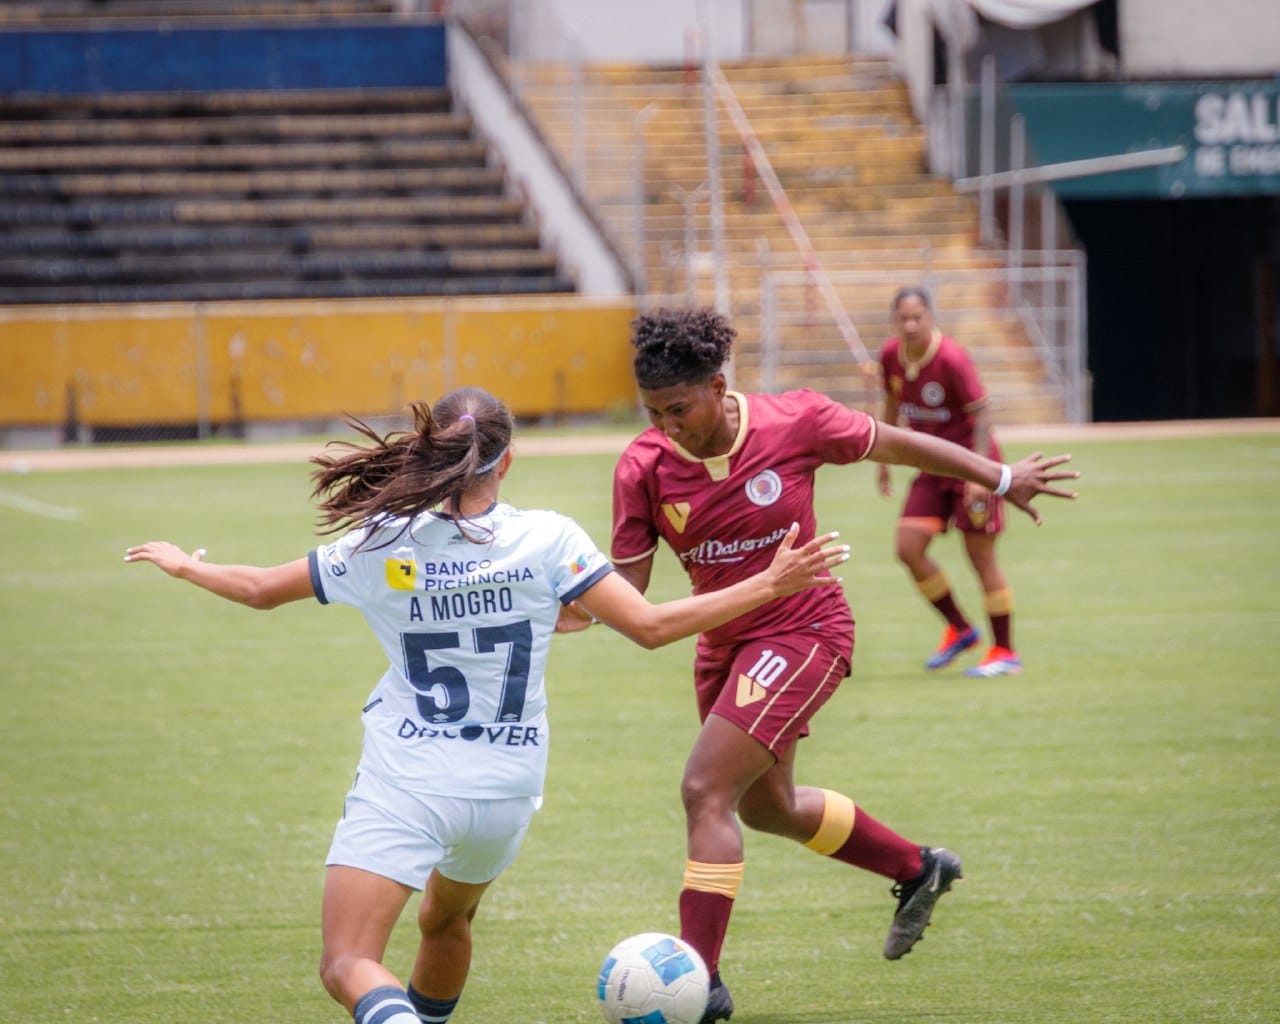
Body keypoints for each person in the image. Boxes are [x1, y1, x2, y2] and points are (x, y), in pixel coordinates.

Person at [123, 386, 851, 1024]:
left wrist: (189, 565)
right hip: (506, 790)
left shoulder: (382, 542)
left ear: (429, 454)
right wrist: (768, 583)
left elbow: (257, 590)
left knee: (347, 963)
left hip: (411, 777)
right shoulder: (547, 539)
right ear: (507, 461)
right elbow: (653, 627)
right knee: (447, 920)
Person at [604, 308, 1077, 1024]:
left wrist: (1000, 475)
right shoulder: (642, 466)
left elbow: (902, 445)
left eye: (680, 408)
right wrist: (553, 598)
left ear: (717, 385)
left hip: (806, 629)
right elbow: (625, 593)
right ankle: (918, 868)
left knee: (705, 790)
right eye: (654, 413)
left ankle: (699, 984)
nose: (669, 425)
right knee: (767, 807)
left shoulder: (795, 421)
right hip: (723, 645)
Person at [877, 285, 1020, 677]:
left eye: (916, 317)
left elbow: (982, 414)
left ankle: (1005, 651)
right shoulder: (890, 355)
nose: (909, 325)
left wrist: (979, 473)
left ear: (930, 317)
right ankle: (960, 628)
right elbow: (890, 404)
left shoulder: (952, 358)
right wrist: (883, 458)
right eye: (902, 318)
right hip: (932, 467)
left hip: (972, 467)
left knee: (980, 558)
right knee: (908, 547)